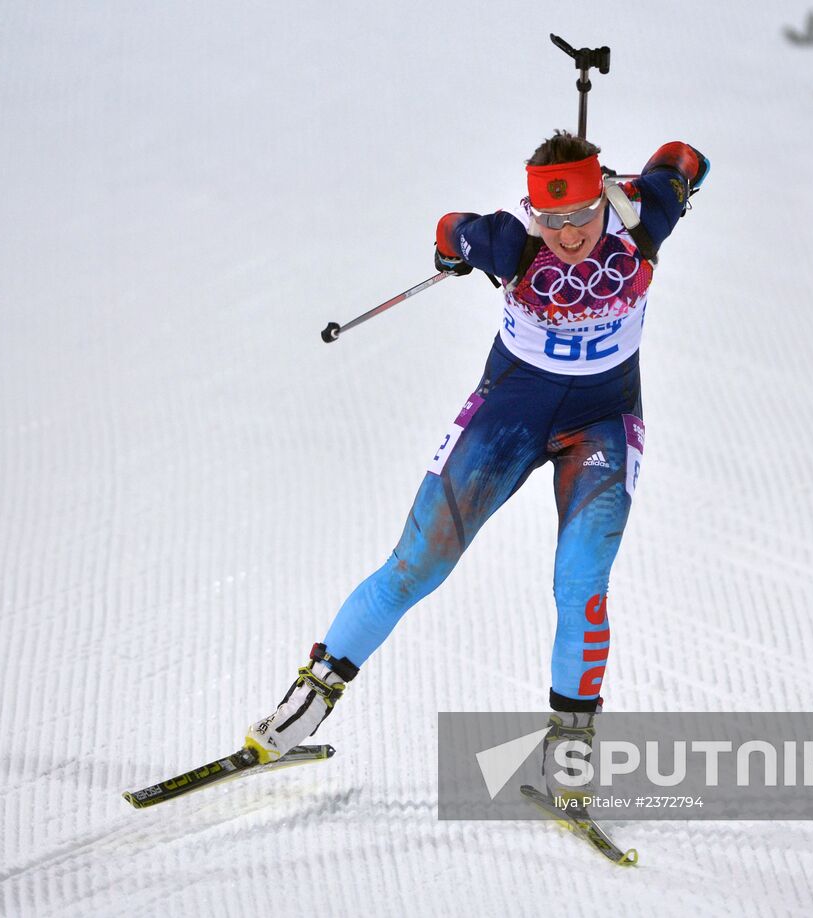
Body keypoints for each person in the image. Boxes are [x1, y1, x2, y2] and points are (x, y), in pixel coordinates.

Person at [245, 131, 709, 764]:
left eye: (579, 216)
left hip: (604, 421)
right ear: (531, 209)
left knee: (581, 581)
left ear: (603, 197)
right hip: (509, 415)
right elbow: (449, 228)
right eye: (551, 219)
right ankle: (300, 710)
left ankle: (571, 756)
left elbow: (683, 159)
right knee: (416, 564)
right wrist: (450, 255)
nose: (568, 236)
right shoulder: (508, 239)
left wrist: (659, 179)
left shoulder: (644, 212)